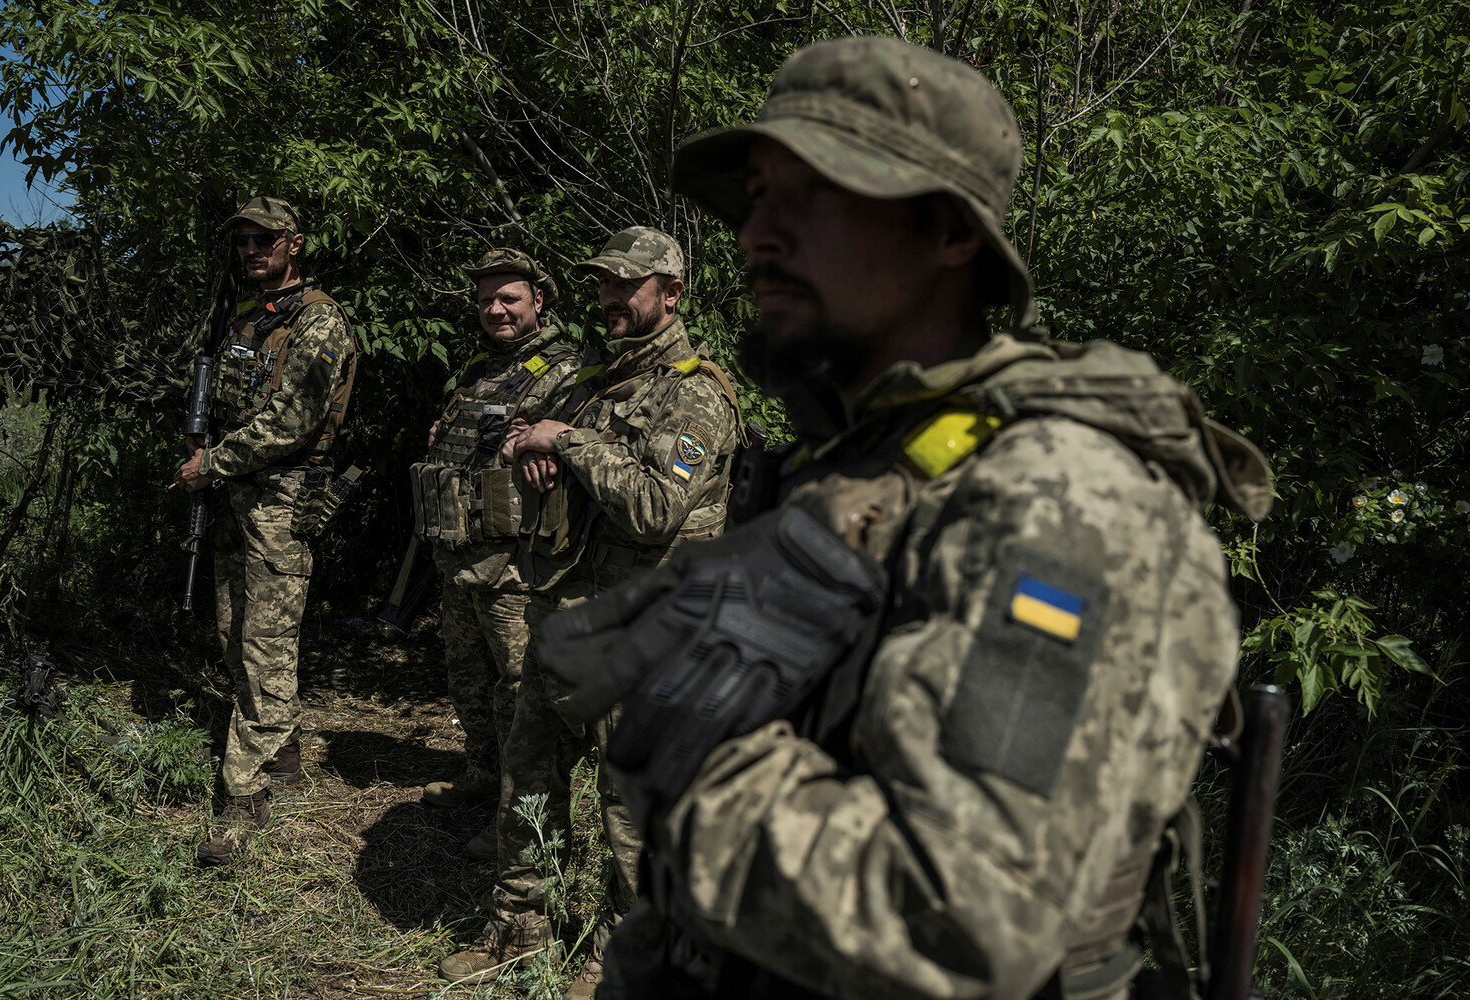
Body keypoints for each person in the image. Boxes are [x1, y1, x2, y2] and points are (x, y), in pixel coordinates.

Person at [533, 37, 1275, 1000]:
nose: (758, 233)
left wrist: (707, 754)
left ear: (951, 234)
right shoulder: (858, 458)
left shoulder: (1060, 501)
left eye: (813, 193)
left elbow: (964, 917)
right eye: (759, 194)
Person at [435, 227, 743, 998]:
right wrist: (533, 446)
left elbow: (652, 506)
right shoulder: (597, 381)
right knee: (527, 778)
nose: (608, 297)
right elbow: (523, 437)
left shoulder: (695, 391)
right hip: (566, 613)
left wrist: (567, 442)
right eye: (602, 284)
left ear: (671, 294)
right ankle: (518, 927)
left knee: (629, 815)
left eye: (624, 286)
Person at [175, 196, 359, 865]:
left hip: (280, 497)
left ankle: (242, 796)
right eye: (243, 241)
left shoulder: (319, 321)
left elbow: (295, 419)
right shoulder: (244, 317)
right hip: (232, 491)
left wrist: (211, 463)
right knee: (232, 631)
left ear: (294, 244)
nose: (250, 251)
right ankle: (280, 753)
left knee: (265, 642)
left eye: (263, 240)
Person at [412, 249, 590, 866]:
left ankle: (526, 822)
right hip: (462, 554)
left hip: (518, 564)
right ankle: (484, 776)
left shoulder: (569, 371)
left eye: (509, 298)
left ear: (539, 300)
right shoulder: (481, 370)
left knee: (522, 693)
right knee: (470, 679)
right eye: (486, 299)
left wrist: (540, 440)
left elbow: (578, 440)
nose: (495, 309)